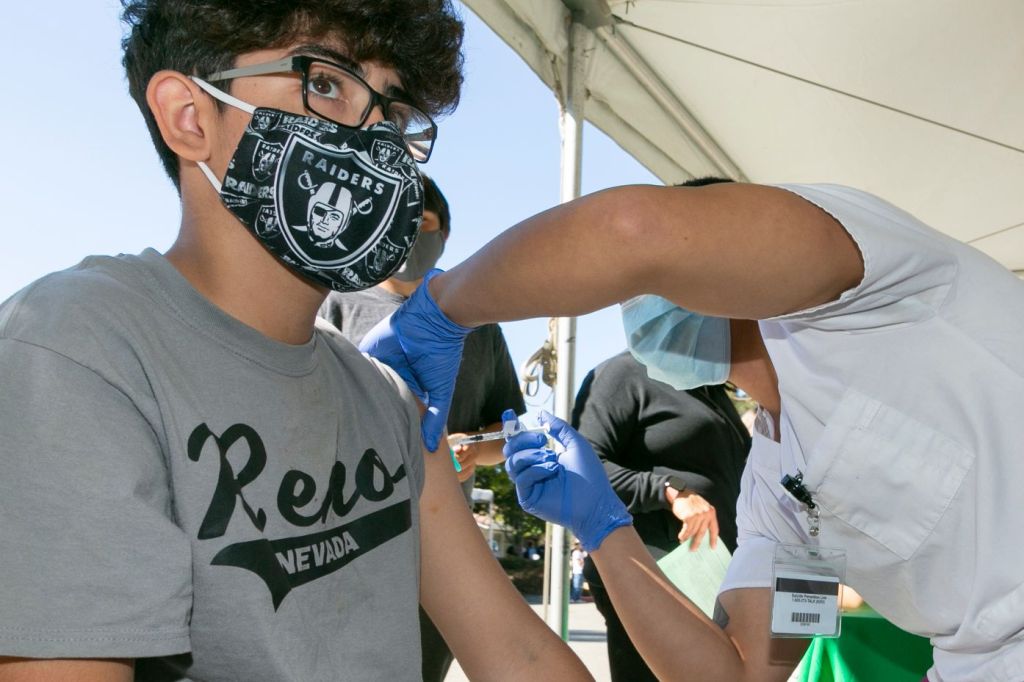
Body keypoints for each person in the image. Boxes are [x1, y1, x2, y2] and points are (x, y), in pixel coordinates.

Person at [0, 2, 593, 681]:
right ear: (190, 116)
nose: (373, 140)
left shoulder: (384, 397)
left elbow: (515, 651)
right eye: (327, 83)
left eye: (393, 113)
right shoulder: (75, 351)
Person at [360, 175, 1024, 682]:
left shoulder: (870, 281)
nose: (634, 307)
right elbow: (740, 674)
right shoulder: (780, 486)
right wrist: (606, 530)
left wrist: (442, 308)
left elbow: (632, 229)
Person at [318, 173, 526, 682]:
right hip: (348, 543)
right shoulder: (333, 305)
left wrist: (474, 449)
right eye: (395, 219)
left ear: (445, 233)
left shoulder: (478, 324)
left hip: (442, 549)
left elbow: (510, 431)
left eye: (423, 222)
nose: (409, 233)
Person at [572, 349, 750, 680]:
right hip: (649, 576)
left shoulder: (709, 386)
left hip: (714, 580)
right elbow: (580, 469)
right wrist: (670, 490)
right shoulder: (623, 374)